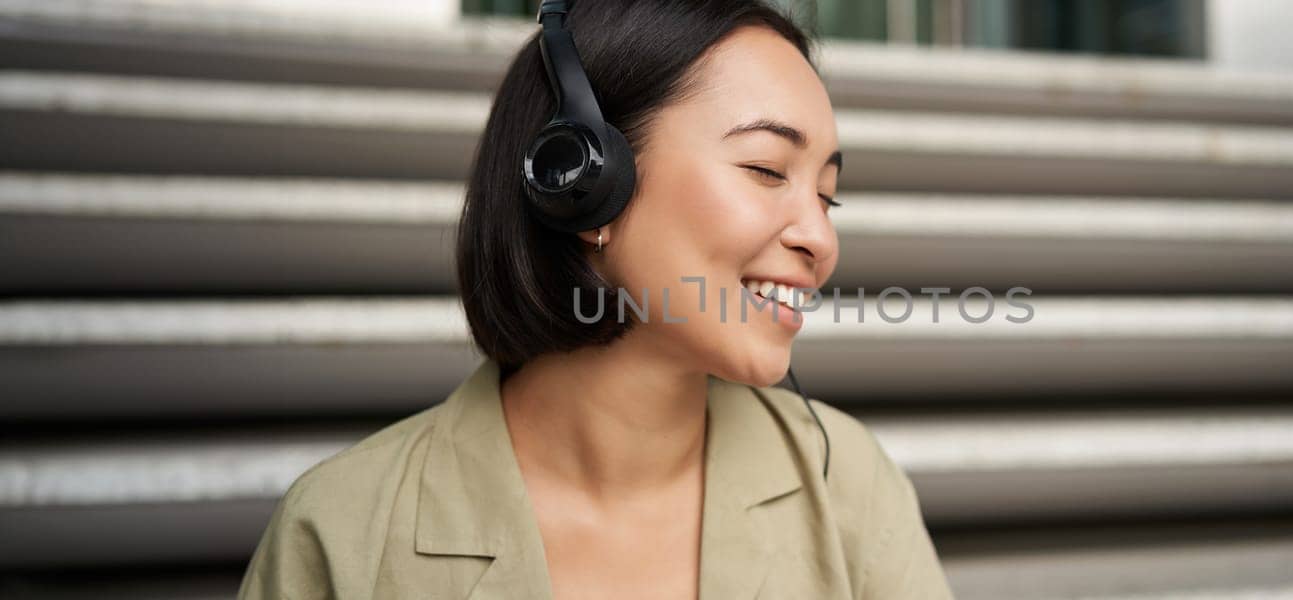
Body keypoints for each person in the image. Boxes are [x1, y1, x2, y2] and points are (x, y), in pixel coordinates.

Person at [237, 0, 954, 598]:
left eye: (828, 196)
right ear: (583, 182)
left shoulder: (847, 485)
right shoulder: (338, 532)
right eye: (768, 169)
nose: (820, 240)